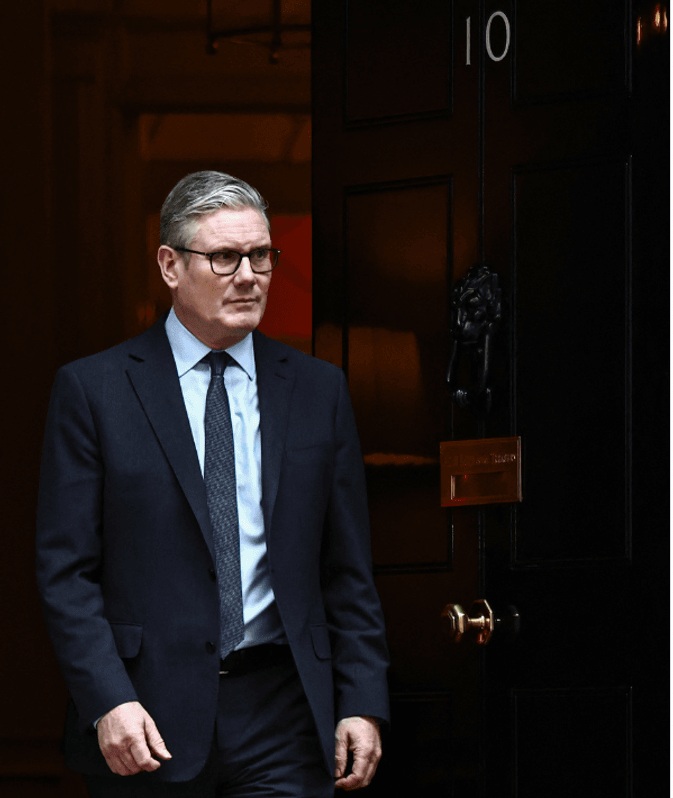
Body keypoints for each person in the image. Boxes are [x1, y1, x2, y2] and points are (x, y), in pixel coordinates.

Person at [35, 171, 390, 796]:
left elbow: (347, 567)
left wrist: (362, 699)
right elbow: (66, 569)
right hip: (146, 720)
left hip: (285, 708)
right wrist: (107, 700)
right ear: (170, 266)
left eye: (261, 255)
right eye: (225, 257)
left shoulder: (318, 390)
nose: (249, 275)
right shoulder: (93, 391)